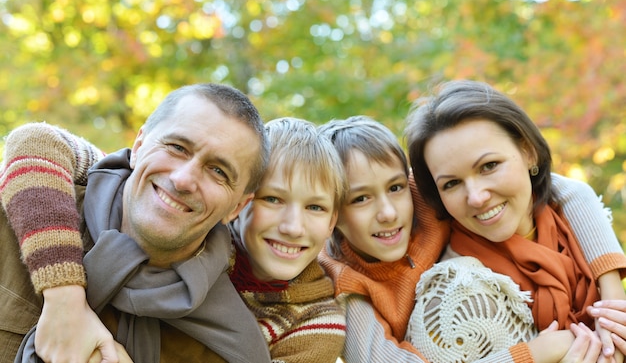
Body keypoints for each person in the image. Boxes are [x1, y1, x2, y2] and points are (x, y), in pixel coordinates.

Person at [318, 114, 624, 363]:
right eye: (359, 199)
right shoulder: (342, 282)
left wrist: (612, 296)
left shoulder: (422, 196)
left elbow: (567, 189)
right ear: (331, 213)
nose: (387, 212)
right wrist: (535, 354)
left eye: (395, 187)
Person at [0, 83, 272, 363]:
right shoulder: (16, 217)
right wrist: (63, 299)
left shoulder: (233, 350)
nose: (183, 180)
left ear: (237, 207)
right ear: (139, 145)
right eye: (177, 147)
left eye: (218, 171)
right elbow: (34, 139)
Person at [404, 80, 626, 361]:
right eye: (451, 184)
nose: (476, 197)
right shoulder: (454, 298)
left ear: (528, 152)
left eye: (489, 166)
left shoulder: (576, 227)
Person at [227, 117, 348, 362]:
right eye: (272, 199)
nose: (293, 227)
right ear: (239, 202)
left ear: (331, 223)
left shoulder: (317, 323)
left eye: (315, 207)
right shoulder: (197, 253)